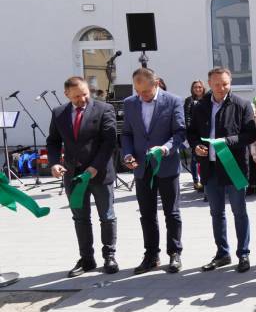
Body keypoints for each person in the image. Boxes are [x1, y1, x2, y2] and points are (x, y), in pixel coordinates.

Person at [46, 76, 118, 277]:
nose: (82, 99)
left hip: (99, 173)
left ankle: (109, 256)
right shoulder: (59, 113)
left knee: (107, 216)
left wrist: (94, 167)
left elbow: (109, 142)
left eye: (85, 94)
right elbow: (53, 141)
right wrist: (55, 163)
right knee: (80, 218)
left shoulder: (104, 109)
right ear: (67, 94)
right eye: (76, 96)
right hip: (73, 175)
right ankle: (87, 259)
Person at [188, 67, 256, 273]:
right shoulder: (200, 106)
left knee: (239, 212)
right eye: (217, 84)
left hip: (233, 166)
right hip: (209, 169)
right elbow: (191, 133)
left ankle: (243, 253)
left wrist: (226, 142)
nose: (221, 88)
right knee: (216, 213)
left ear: (230, 82)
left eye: (225, 84)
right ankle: (222, 253)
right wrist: (195, 146)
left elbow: (250, 135)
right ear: (209, 84)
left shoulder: (242, 104)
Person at [121, 68, 186, 274]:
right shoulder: (130, 103)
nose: (142, 95)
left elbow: (180, 132)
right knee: (146, 214)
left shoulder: (173, 101)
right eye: (138, 91)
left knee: (171, 212)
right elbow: (127, 133)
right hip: (142, 167)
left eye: (146, 91)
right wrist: (128, 154)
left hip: (166, 165)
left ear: (156, 84)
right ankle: (151, 255)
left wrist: (165, 148)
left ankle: (174, 253)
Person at [184, 80, 206, 191]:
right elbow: (187, 116)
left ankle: (204, 181)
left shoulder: (207, 99)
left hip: (205, 132)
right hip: (194, 132)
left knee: (205, 156)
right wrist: (189, 129)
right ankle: (196, 181)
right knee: (194, 158)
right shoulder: (189, 100)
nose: (198, 89)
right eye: (195, 87)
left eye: (199, 87)